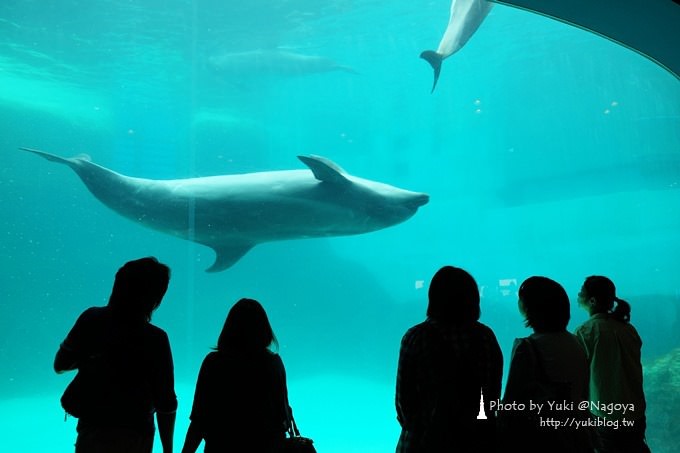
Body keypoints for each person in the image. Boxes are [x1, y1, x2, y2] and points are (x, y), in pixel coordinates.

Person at [54, 256, 177, 453]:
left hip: (92, 429)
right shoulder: (156, 338)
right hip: (136, 434)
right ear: (155, 297)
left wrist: (95, 357)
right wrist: (168, 450)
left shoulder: (91, 319)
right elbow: (166, 403)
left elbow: (60, 364)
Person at [395, 265, 503, 453]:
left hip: (423, 442)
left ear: (433, 298)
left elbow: (404, 402)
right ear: (473, 299)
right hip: (477, 440)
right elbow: (493, 393)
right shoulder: (485, 336)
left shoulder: (415, 337)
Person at [182, 298, 290, 453]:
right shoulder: (273, 363)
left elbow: (200, 418)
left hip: (221, 446)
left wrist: (186, 451)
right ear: (264, 329)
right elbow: (282, 416)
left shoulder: (214, 363)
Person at [500, 276, 592, 452]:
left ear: (528, 308)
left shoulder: (526, 347)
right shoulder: (576, 343)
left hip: (541, 439)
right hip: (576, 437)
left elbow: (511, 402)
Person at [575, 276, 651, 453]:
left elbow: (579, 376)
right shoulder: (628, 329)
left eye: (581, 292)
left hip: (605, 416)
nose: (578, 295)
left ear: (592, 300)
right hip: (635, 413)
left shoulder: (584, 332)